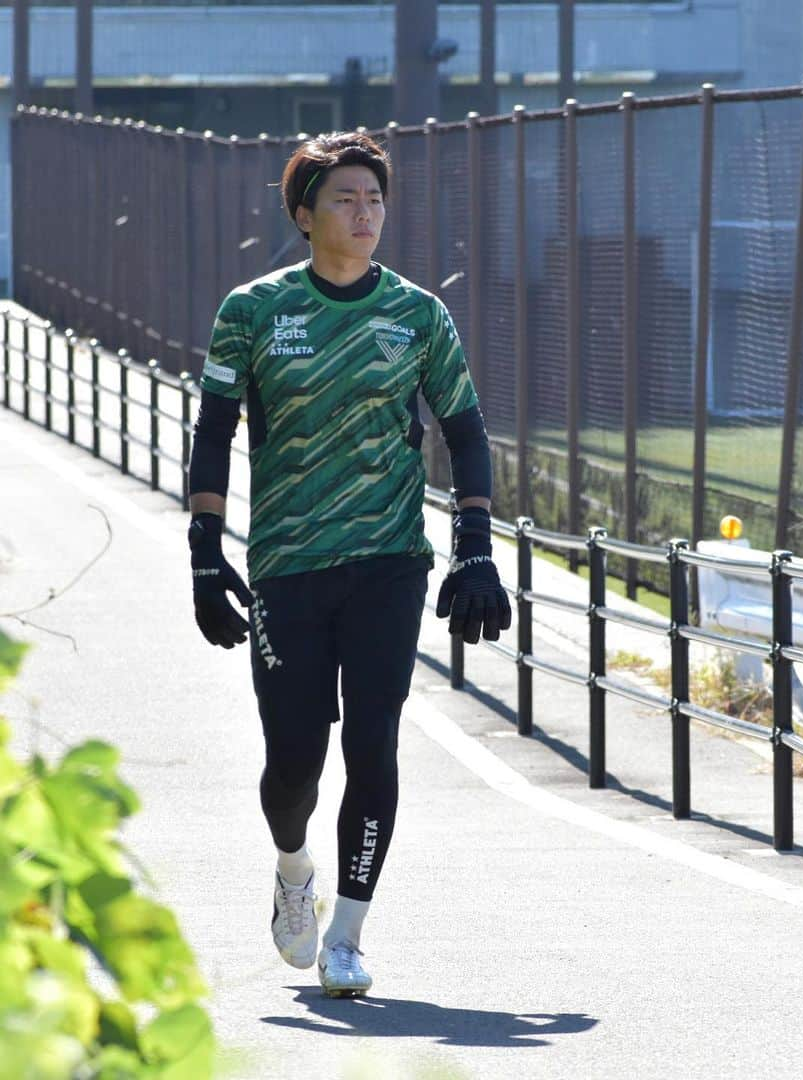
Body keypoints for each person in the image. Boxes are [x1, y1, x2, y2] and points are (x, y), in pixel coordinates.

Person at [185, 130, 511, 998]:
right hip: (288, 564)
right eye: (344, 200)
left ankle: (349, 936)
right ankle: (294, 871)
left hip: (389, 562)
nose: (364, 214)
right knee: (295, 759)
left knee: (373, 744)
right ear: (304, 215)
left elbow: (466, 430)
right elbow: (214, 431)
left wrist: (475, 545)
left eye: (374, 200)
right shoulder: (252, 311)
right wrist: (203, 555)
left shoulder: (415, 314)